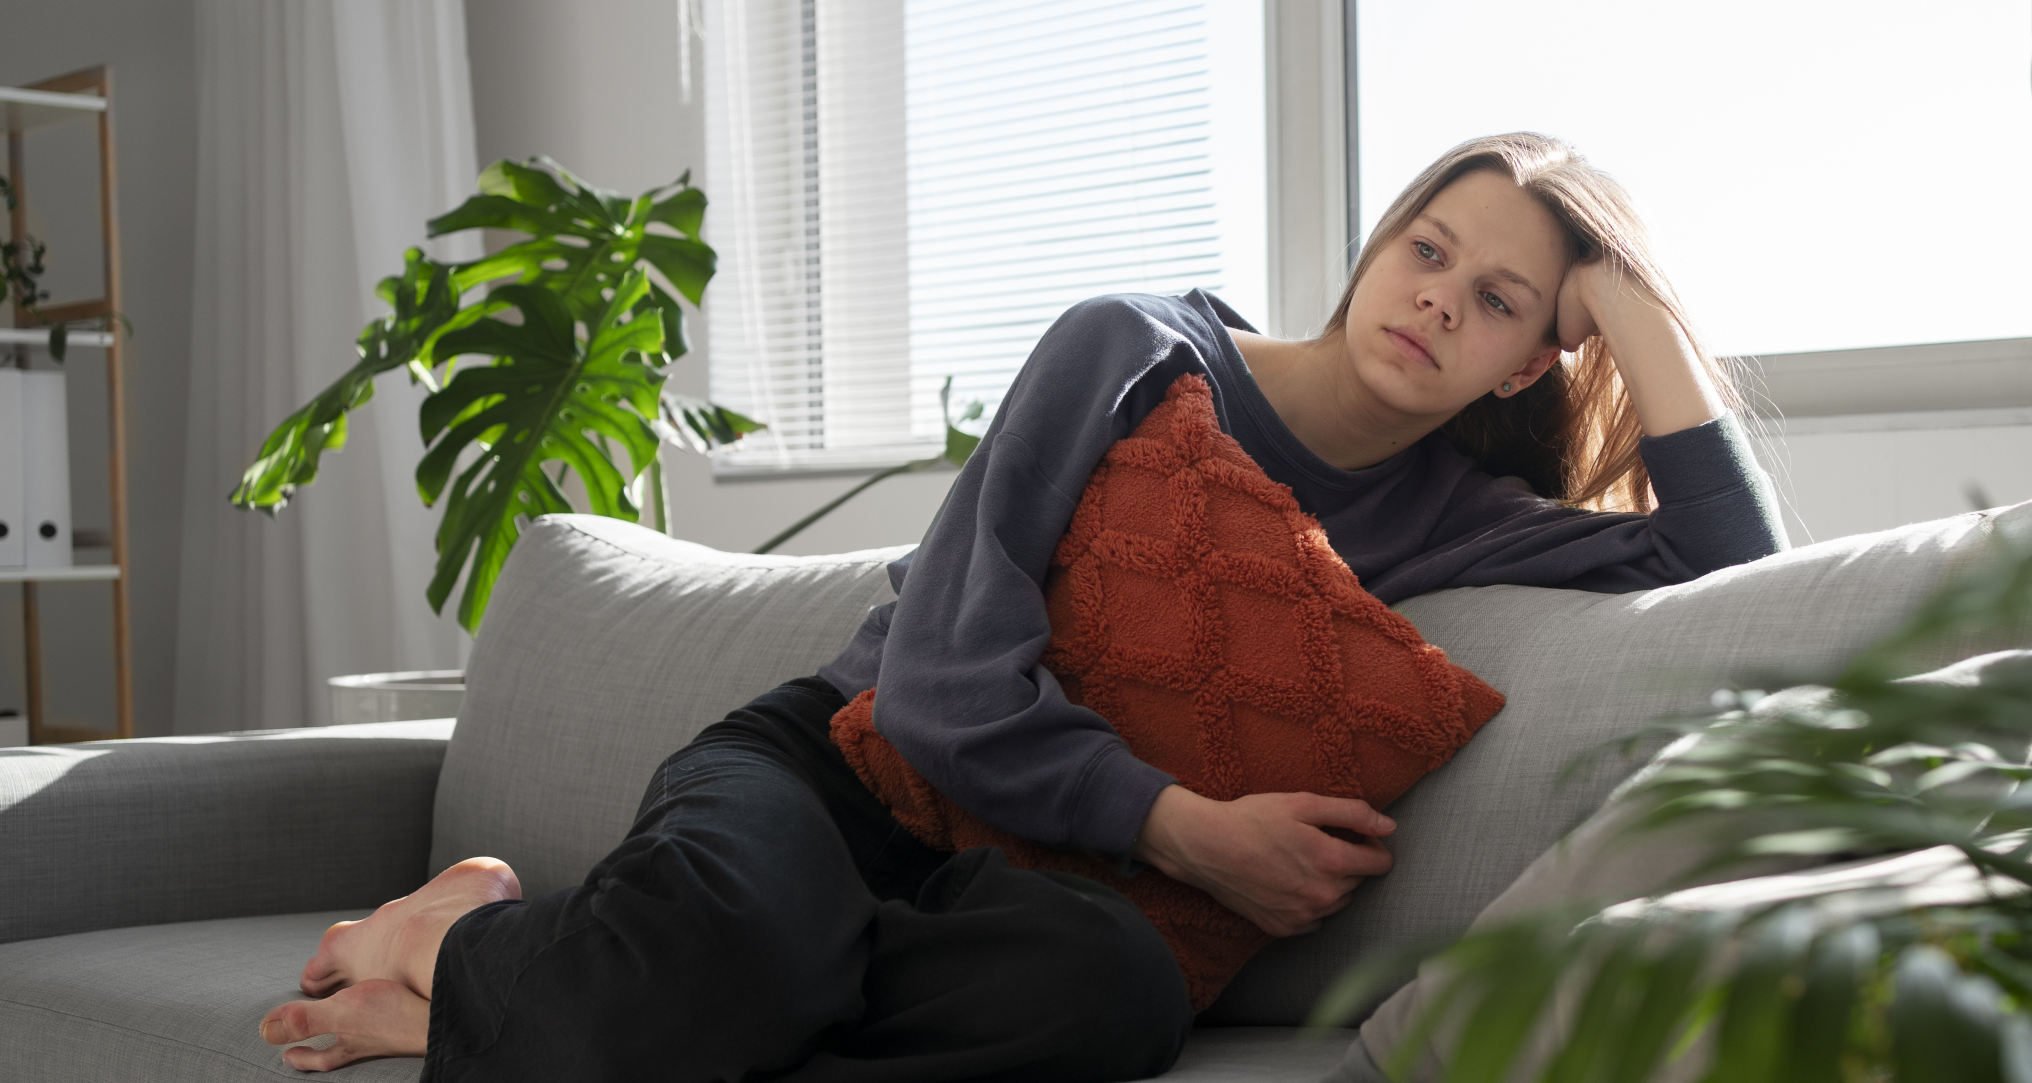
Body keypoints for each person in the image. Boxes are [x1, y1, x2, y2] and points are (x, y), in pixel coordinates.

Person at [257, 132, 1787, 1081]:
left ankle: (623, 1006)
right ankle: (466, 941)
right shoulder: (1138, 347)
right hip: (835, 771)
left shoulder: (1457, 518)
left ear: (1531, 361)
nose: (1443, 295)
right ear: (1379, 247)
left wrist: (1634, 302)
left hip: (1025, 887)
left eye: (1506, 299)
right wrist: (1185, 827)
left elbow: (1734, 568)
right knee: (737, 948)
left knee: (1114, 999)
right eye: (1430, 248)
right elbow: (938, 686)